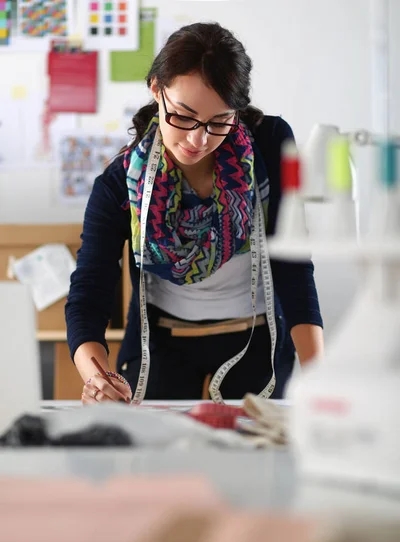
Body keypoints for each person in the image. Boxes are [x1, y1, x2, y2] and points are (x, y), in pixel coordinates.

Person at [65, 22, 324, 405]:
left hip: (256, 337)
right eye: (183, 116)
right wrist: (97, 379)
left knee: (261, 460)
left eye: (220, 121)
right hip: (162, 343)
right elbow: (89, 293)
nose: (198, 140)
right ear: (157, 89)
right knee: (157, 461)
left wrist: (323, 378)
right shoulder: (122, 185)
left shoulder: (268, 146)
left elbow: (292, 264)